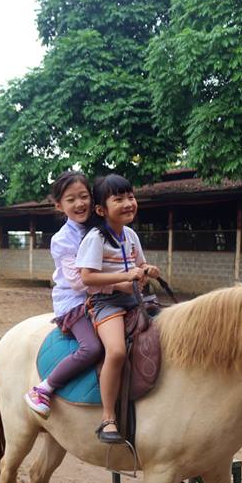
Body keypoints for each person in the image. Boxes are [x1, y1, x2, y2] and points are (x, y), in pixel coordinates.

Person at [76, 174, 160, 443]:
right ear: (101, 210)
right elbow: (87, 277)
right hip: (106, 303)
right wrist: (123, 279)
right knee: (116, 351)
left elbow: (139, 267)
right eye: (119, 199)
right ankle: (108, 418)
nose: (128, 203)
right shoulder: (95, 238)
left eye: (131, 197)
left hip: (134, 299)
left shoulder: (131, 235)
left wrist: (147, 271)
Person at [24, 172, 105, 418]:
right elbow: (79, 282)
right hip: (75, 302)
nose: (80, 204)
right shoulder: (62, 239)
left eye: (83, 196)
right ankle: (44, 388)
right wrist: (118, 283)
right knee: (91, 348)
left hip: (103, 296)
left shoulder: (99, 228)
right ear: (59, 205)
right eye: (71, 200)